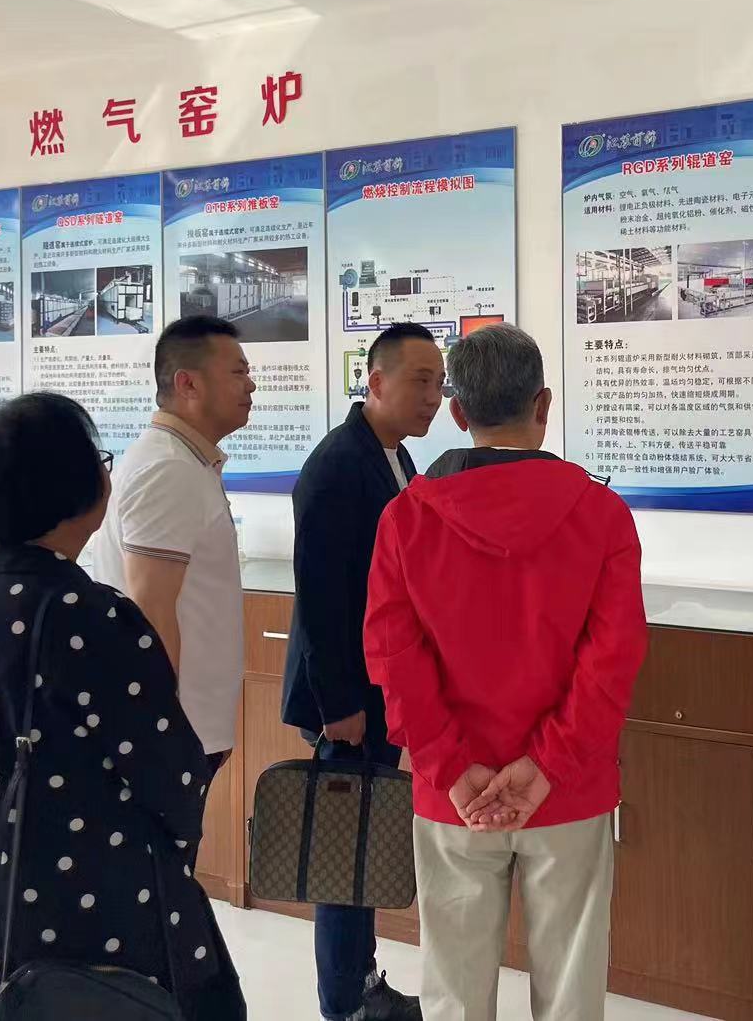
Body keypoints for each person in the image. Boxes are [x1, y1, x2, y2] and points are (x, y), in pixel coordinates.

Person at [0, 392, 244, 1019]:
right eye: (99, 460)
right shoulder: (94, 617)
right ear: (76, 489)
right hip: (107, 911)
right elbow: (173, 776)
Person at [364, 323, 649, 1021]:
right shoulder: (602, 514)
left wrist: (451, 767)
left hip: (453, 794)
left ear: (458, 412)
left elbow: (394, 659)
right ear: (543, 404)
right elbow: (613, 660)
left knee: (454, 984)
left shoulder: (405, 519)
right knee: (572, 983)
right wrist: (549, 764)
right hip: (569, 789)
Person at [282, 322, 445, 1021]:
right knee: (343, 849)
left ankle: (360, 980)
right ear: (375, 381)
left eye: (440, 384)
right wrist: (339, 704)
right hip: (347, 697)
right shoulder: (337, 465)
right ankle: (345, 1001)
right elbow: (320, 596)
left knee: (363, 839)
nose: (433, 397)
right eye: (420, 381)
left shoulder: (393, 455)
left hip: (379, 685)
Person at [84, 314, 254, 773]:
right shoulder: (169, 469)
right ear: (188, 384)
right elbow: (150, 610)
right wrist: (160, 731)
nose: (251, 385)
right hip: (172, 728)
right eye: (237, 372)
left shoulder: (182, 461)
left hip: (185, 723)